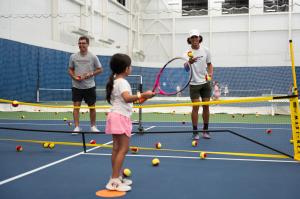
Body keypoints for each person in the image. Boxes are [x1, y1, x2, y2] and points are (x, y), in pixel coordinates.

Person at [105, 53, 154, 192]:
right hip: (120, 118)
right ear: (126, 69)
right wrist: (143, 94)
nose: (131, 68)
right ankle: (114, 181)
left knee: (116, 148)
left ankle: (115, 177)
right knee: (123, 149)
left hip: (115, 116)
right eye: (130, 66)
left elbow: (131, 101)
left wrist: (146, 97)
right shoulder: (122, 82)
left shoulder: (115, 81)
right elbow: (127, 98)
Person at [68, 36, 103, 134]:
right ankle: (77, 127)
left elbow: (100, 69)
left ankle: (93, 126)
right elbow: (70, 69)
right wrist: (74, 76)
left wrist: (90, 74)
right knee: (76, 107)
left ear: (88, 44)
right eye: (80, 43)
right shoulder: (73, 57)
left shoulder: (93, 57)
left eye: (83, 43)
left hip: (89, 86)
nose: (81, 45)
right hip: (76, 86)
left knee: (92, 107)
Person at [185, 29, 213, 140]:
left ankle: (205, 131)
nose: (195, 39)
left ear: (199, 38)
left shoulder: (206, 50)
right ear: (190, 40)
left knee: (206, 106)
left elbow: (210, 64)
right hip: (194, 84)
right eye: (192, 37)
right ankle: (195, 132)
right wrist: (189, 62)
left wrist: (210, 74)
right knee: (195, 107)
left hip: (205, 83)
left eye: (196, 37)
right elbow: (186, 69)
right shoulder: (187, 53)